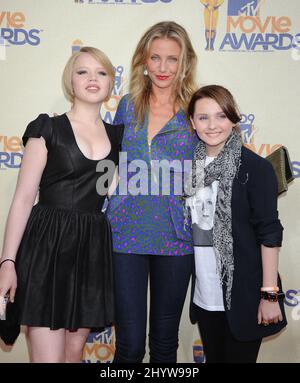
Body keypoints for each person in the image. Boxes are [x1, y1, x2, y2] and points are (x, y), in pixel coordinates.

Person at [0, 47, 123, 362]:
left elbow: (119, 193)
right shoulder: (48, 129)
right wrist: (7, 263)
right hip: (46, 248)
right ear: (71, 81)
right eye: (82, 71)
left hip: (91, 251)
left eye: (101, 72)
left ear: (111, 82)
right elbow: (24, 199)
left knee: (73, 354)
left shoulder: (119, 137)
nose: (92, 79)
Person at [106, 21, 198, 363]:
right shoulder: (127, 107)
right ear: (143, 61)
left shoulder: (196, 112)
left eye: (171, 59)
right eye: (155, 58)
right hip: (124, 234)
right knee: (129, 347)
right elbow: (109, 164)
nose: (162, 68)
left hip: (177, 236)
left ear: (184, 63)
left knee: (163, 344)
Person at [185, 85, 287, 363]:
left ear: (233, 118)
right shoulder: (188, 169)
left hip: (245, 297)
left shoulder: (255, 168)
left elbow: (269, 234)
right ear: (192, 122)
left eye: (220, 116)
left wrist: (269, 295)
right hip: (205, 296)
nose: (212, 125)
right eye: (203, 117)